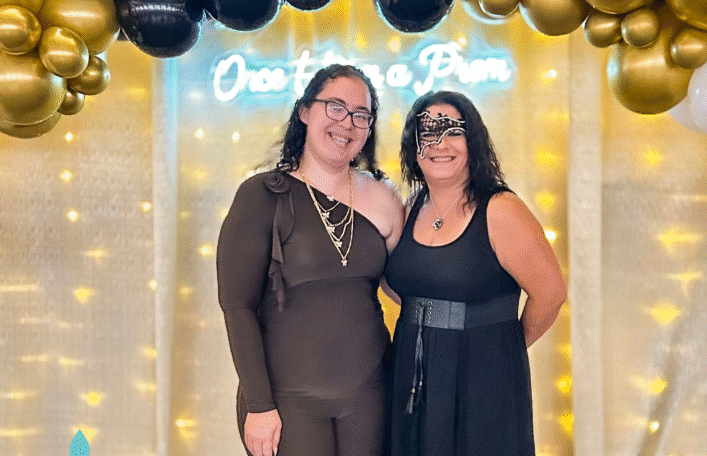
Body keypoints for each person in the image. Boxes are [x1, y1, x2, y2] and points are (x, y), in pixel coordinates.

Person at [217, 64, 404, 456]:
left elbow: (405, 287)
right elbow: (238, 307)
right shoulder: (261, 196)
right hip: (287, 402)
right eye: (334, 107)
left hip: (370, 397)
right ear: (304, 111)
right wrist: (259, 405)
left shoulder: (385, 199)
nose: (347, 123)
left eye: (361, 115)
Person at [384, 91, 567, 455]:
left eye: (453, 131)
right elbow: (400, 284)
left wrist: (501, 348)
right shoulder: (408, 207)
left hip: (482, 377)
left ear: (473, 142)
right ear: (413, 147)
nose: (440, 143)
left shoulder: (501, 210)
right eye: (428, 131)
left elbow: (551, 293)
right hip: (411, 371)